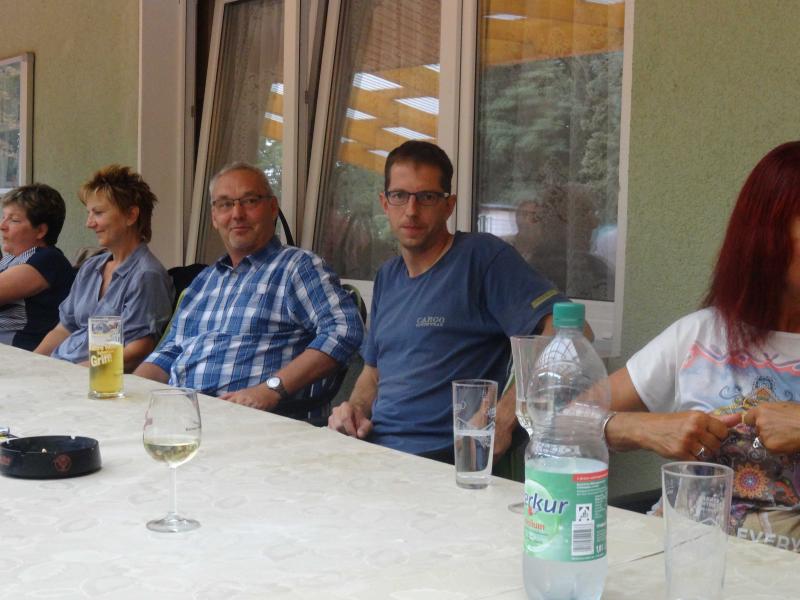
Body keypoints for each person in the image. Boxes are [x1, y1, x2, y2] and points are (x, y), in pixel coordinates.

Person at [605, 141, 800, 551]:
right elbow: (560, 419)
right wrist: (641, 427)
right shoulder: (700, 336)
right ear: (768, 234)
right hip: (677, 563)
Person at [328, 141, 571, 461]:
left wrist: (506, 416)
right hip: (373, 450)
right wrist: (355, 409)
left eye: (427, 197)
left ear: (449, 205)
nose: (411, 210)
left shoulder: (481, 258)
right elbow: (372, 373)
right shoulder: (388, 276)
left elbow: (567, 329)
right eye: (399, 196)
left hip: (444, 462)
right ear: (384, 203)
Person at [134, 162, 364, 411]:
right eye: (225, 204)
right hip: (181, 412)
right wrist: (131, 391)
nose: (237, 214)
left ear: (273, 208)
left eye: (250, 201)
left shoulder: (297, 267)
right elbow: (169, 352)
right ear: (214, 217)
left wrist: (271, 389)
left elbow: (344, 329)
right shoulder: (204, 281)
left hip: (250, 418)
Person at [35, 166, 174, 371]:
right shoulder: (91, 267)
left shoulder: (146, 275)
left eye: (98, 213)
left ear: (131, 215)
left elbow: (139, 349)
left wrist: (77, 372)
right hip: (61, 369)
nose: (89, 223)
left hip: (93, 378)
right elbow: (63, 329)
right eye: (89, 213)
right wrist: (33, 363)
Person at [0, 184, 75, 350]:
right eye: (3, 217)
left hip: (21, 352)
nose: (2, 226)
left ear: (40, 230)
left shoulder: (47, 260)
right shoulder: (13, 257)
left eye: (14, 220)